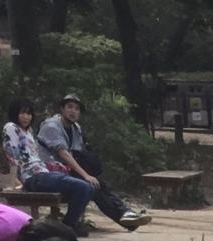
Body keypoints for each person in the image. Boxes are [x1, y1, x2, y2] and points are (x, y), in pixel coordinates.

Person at [37, 95, 148, 230]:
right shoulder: (51, 126)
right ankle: (69, 225)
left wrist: (87, 173)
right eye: (70, 107)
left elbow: (76, 153)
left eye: (77, 109)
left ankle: (126, 214)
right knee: (90, 183)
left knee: (98, 183)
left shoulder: (75, 128)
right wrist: (85, 175)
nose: (73, 111)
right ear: (62, 109)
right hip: (48, 174)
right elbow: (64, 154)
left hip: (66, 172)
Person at [4, 98, 97, 231]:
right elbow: (12, 156)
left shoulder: (28, 132)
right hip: (33, 177)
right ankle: (65, 227)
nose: (26, 117)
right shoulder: (11, 127)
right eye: (22, 113)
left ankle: (65, 226)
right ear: (15, 113)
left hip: (44, 173)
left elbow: (34, 157)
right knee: (84, 187)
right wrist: (14, 184)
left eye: (29, 114)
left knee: (88, 187)